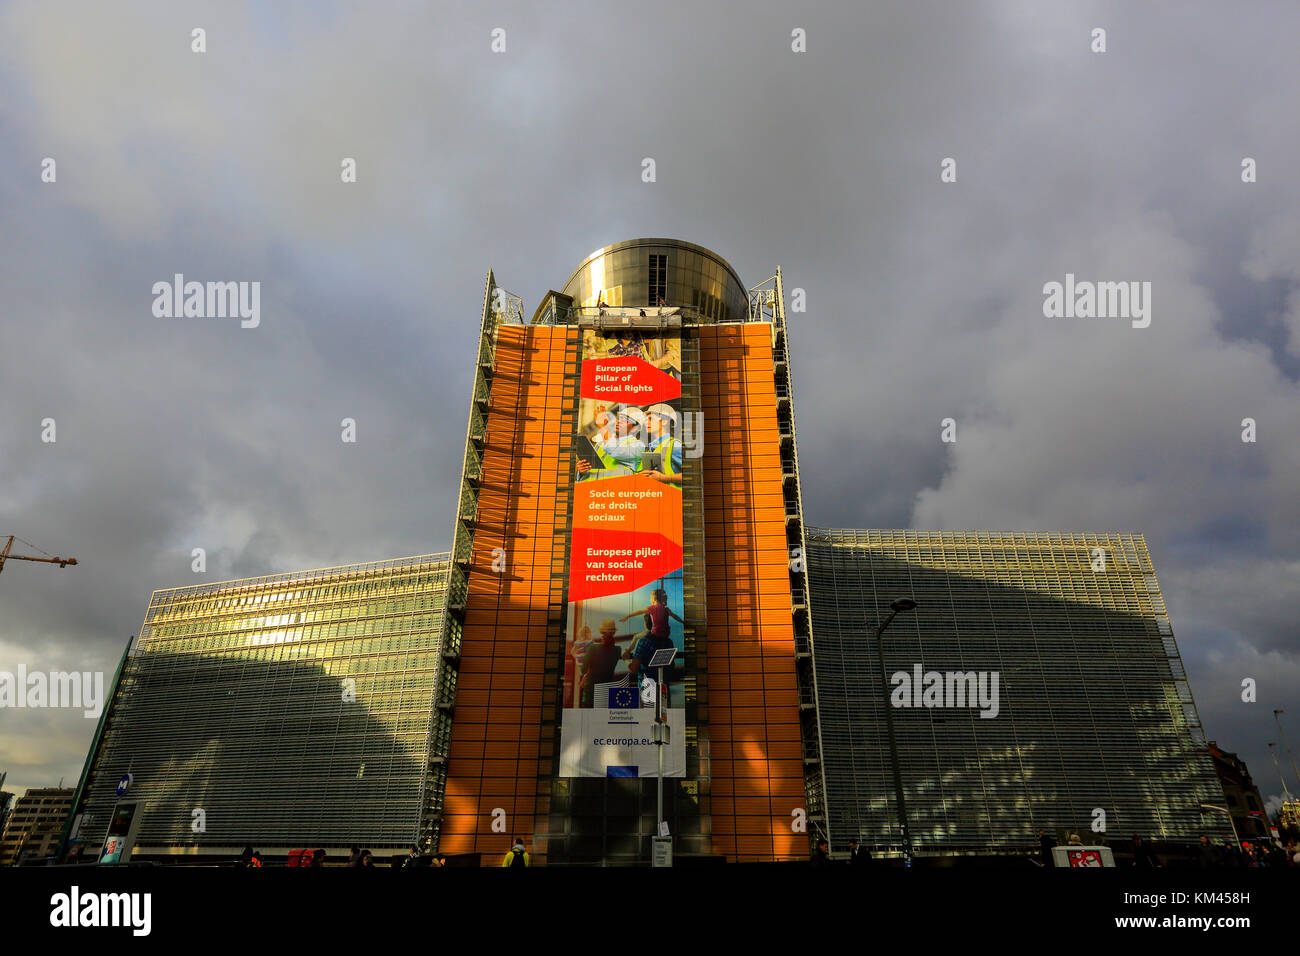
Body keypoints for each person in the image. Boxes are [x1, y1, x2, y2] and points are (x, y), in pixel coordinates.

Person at [578, 620, 627, 708]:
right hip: (606, 694)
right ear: (614, 633)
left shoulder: (592, 648)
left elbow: (583, 669)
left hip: (590, 694)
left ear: (602, 632)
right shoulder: (617, 650)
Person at [641, 404, 683, 485]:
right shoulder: (653, 447)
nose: (646, 422)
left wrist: (664, 478)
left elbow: (693, 475)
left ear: (664, 421)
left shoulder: (675, 445)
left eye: (650, 419)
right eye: (645, 419)